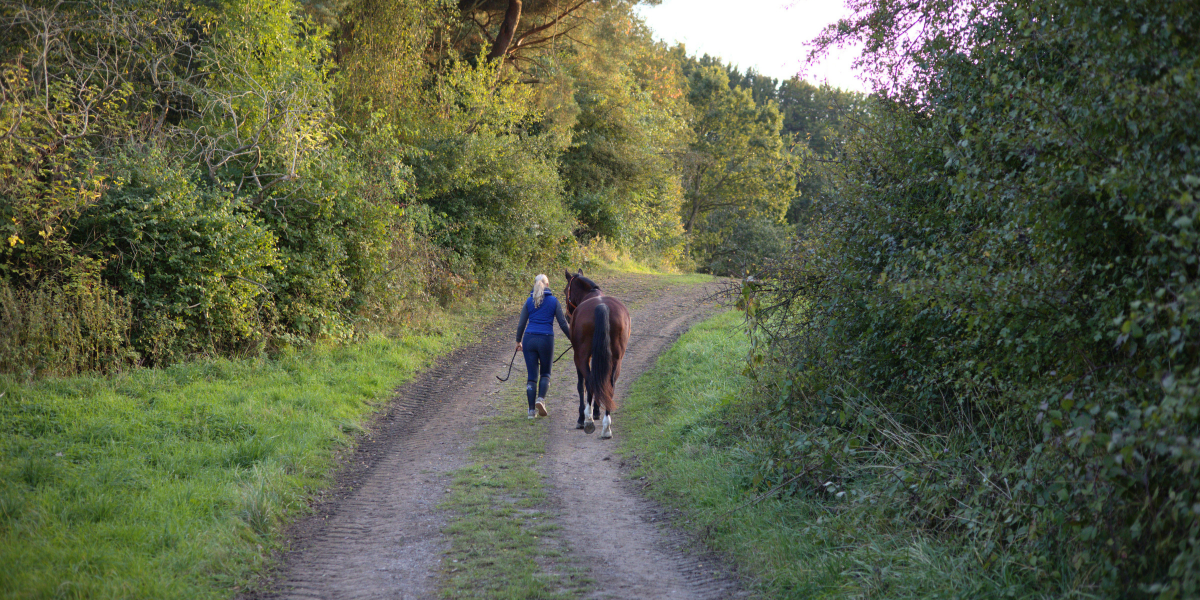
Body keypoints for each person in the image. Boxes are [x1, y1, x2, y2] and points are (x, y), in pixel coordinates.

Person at [515, 274, 571, 418]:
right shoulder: (553, 301)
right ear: (547, 284)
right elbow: (563, 324)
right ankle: (541, 399)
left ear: (535, 285)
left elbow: (521, 324)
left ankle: (531, 411)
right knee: (545, 373)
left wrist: (518, 341)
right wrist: (573, 339)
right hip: (546, 339)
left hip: (529, 339)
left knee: (532, 376)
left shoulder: (529, 301)